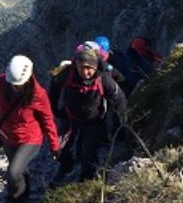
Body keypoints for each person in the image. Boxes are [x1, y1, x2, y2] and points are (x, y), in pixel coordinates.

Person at [0, 55, 60, 203]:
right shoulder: (1, 82)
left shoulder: (38, 94)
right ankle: (24, 195)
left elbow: (48, 120)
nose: (17, 87)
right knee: (19, 170)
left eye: (19, 84)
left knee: (13, 172)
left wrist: (55, 146)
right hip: (7, 136)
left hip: (30, 139)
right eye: (14, 84)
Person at [48, 45, 126, 186]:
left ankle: (86, 180)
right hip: (70, 117)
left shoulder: (103, 78)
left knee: (88, 155)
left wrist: (121, 120)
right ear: (76, 66)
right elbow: (54, 88)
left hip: (93, 121)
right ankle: (66, 165)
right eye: (82, 67)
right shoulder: (68, 73)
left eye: (89, 68)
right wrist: (55, 110)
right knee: (59, 148)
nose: (85, 72)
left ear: (96, 67)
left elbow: (119, 97)